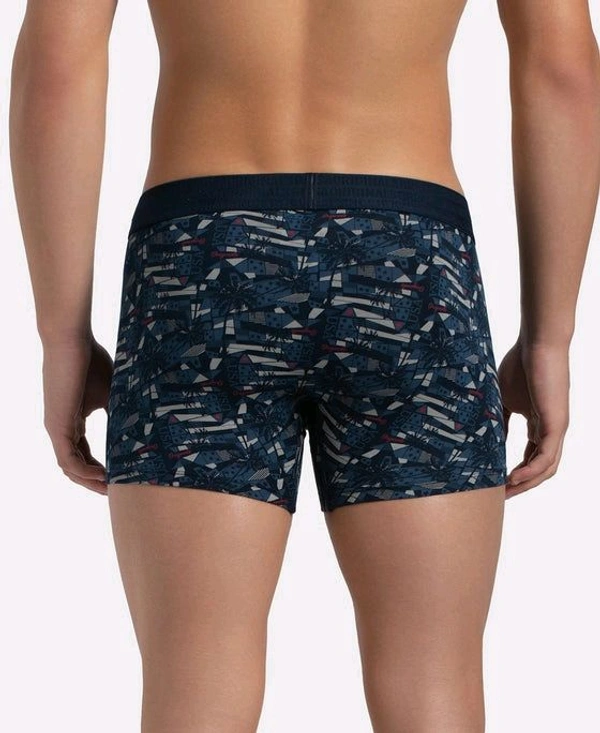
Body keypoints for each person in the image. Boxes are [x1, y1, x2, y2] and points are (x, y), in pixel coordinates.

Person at [9, 0, 600, 731]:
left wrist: (62, 335)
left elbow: (58, 65)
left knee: (195, 678)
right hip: (408, 260)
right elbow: (562, 69)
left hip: (203, 257)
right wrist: (549, 338)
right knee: (432, 679)